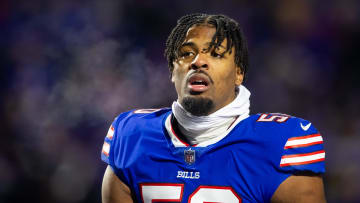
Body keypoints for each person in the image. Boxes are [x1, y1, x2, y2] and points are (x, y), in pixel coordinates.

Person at [100, 13, 326, 203]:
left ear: (238, 73)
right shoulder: (131, 136)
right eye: (187, 53)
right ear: (172, 71)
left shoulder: (281, 143)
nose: (198, 61)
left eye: (216, 54)